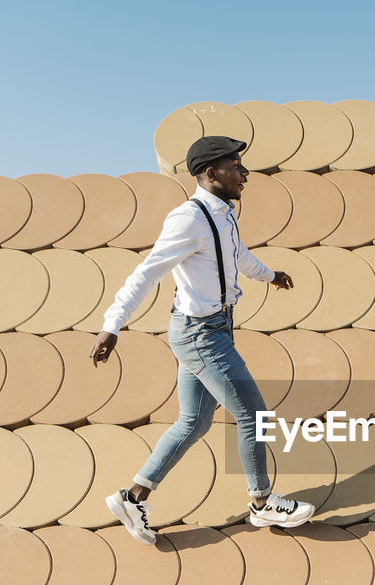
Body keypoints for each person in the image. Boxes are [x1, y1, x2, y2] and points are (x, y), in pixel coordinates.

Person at [90, 135, 314, 545]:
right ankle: (262, 504)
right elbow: (147, 272)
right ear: (211, 174)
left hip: (216, 328)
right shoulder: (187, 219)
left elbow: (236, 254)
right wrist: (112, 324)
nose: (245, 173)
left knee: (193, 423)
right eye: (236, 167)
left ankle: (132, 497)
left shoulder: (224, 213)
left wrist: (269, 274)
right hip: (201, 336)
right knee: (253, 415)